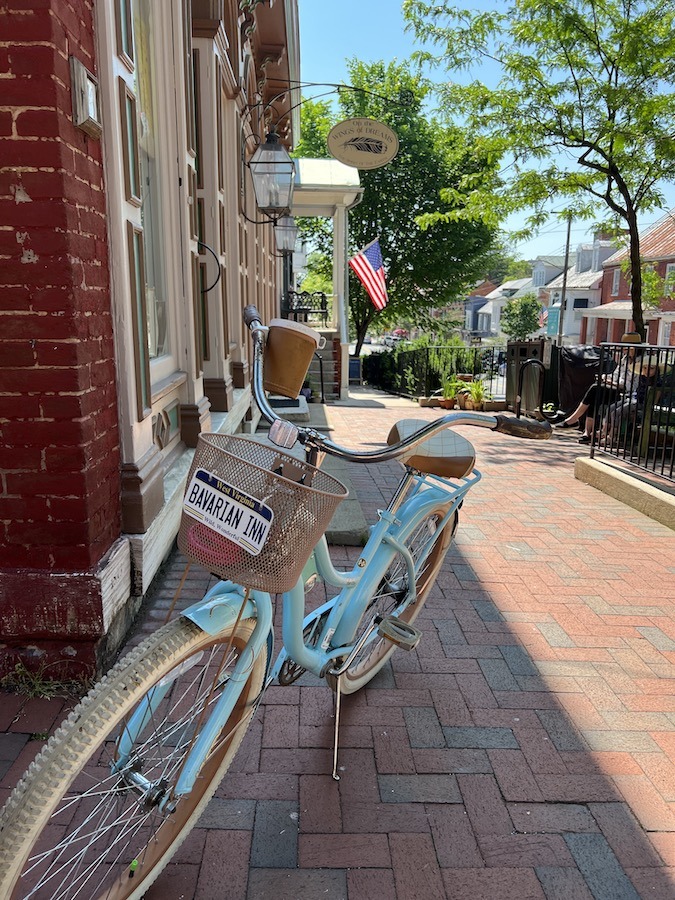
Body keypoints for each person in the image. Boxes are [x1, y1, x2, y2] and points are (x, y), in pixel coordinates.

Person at [556, 333, 641, 443]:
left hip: (626, 394)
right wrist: (606, 377)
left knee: (596, 389)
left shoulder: (641, 363)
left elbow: (630, 387)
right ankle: (586, 432)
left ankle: (575, 421)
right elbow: (616, 374)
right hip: (616, 389)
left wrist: (611, 382)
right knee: (595, 393)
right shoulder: (625, 359)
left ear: (634, 348)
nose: (624, 351)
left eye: (626, 348)